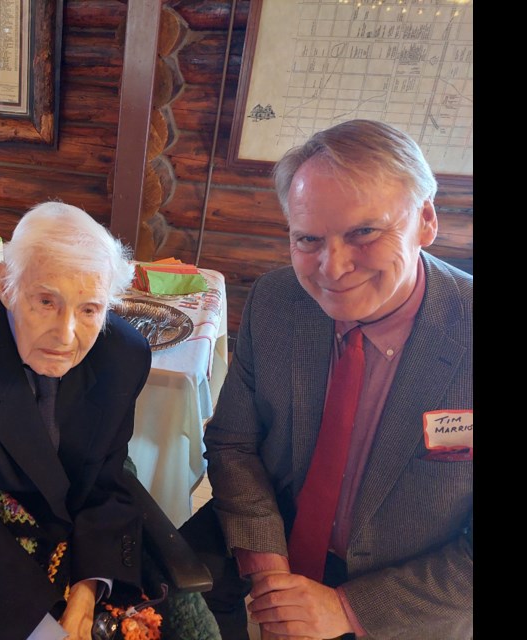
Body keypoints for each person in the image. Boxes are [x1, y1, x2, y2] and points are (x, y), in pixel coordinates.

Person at [179, 119, 472, 639]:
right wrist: (272, 578)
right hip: (271, 532)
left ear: (426, 220)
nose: (332, 268)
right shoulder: (276, 301)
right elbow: (232, 444)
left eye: (364, 232)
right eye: (308, 239)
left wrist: (347, 609)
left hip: (407, 590)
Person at [0, 201, 206, 640]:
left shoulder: (123, 355)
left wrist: (88, 591)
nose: (66, 336)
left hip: (63, 531)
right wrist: (42, 631)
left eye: (89, 309)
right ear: (7, 285)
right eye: (47, 302)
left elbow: (105, 478)